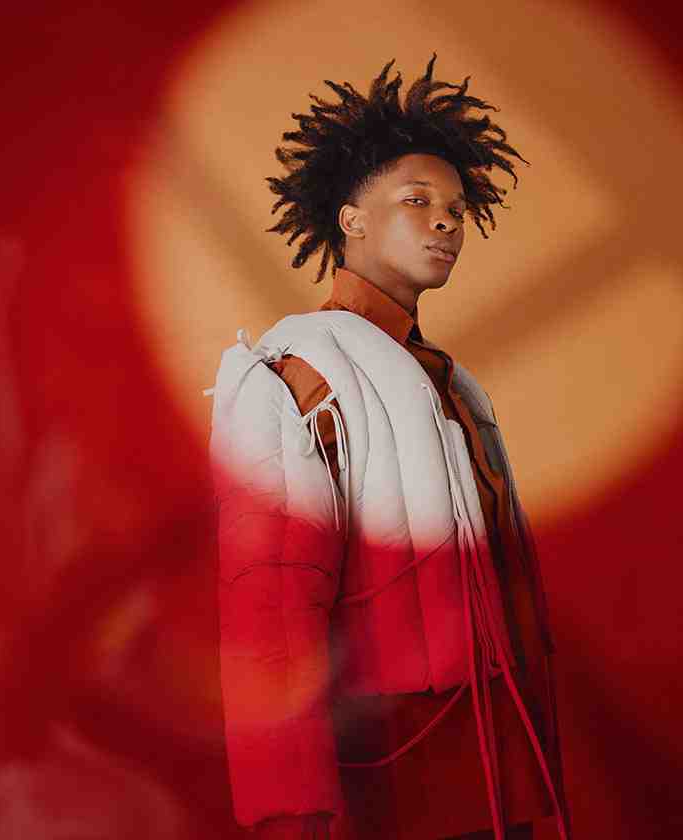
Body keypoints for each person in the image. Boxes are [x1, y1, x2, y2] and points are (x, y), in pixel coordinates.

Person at [207, 55, 569, 840]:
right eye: (417, 201)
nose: (446, 222)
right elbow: (270, 615)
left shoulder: (453, 385)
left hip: (495, 762)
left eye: (457, 208)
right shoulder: (298, 373)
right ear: (352, 219)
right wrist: (294, 814)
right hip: (390, 774)